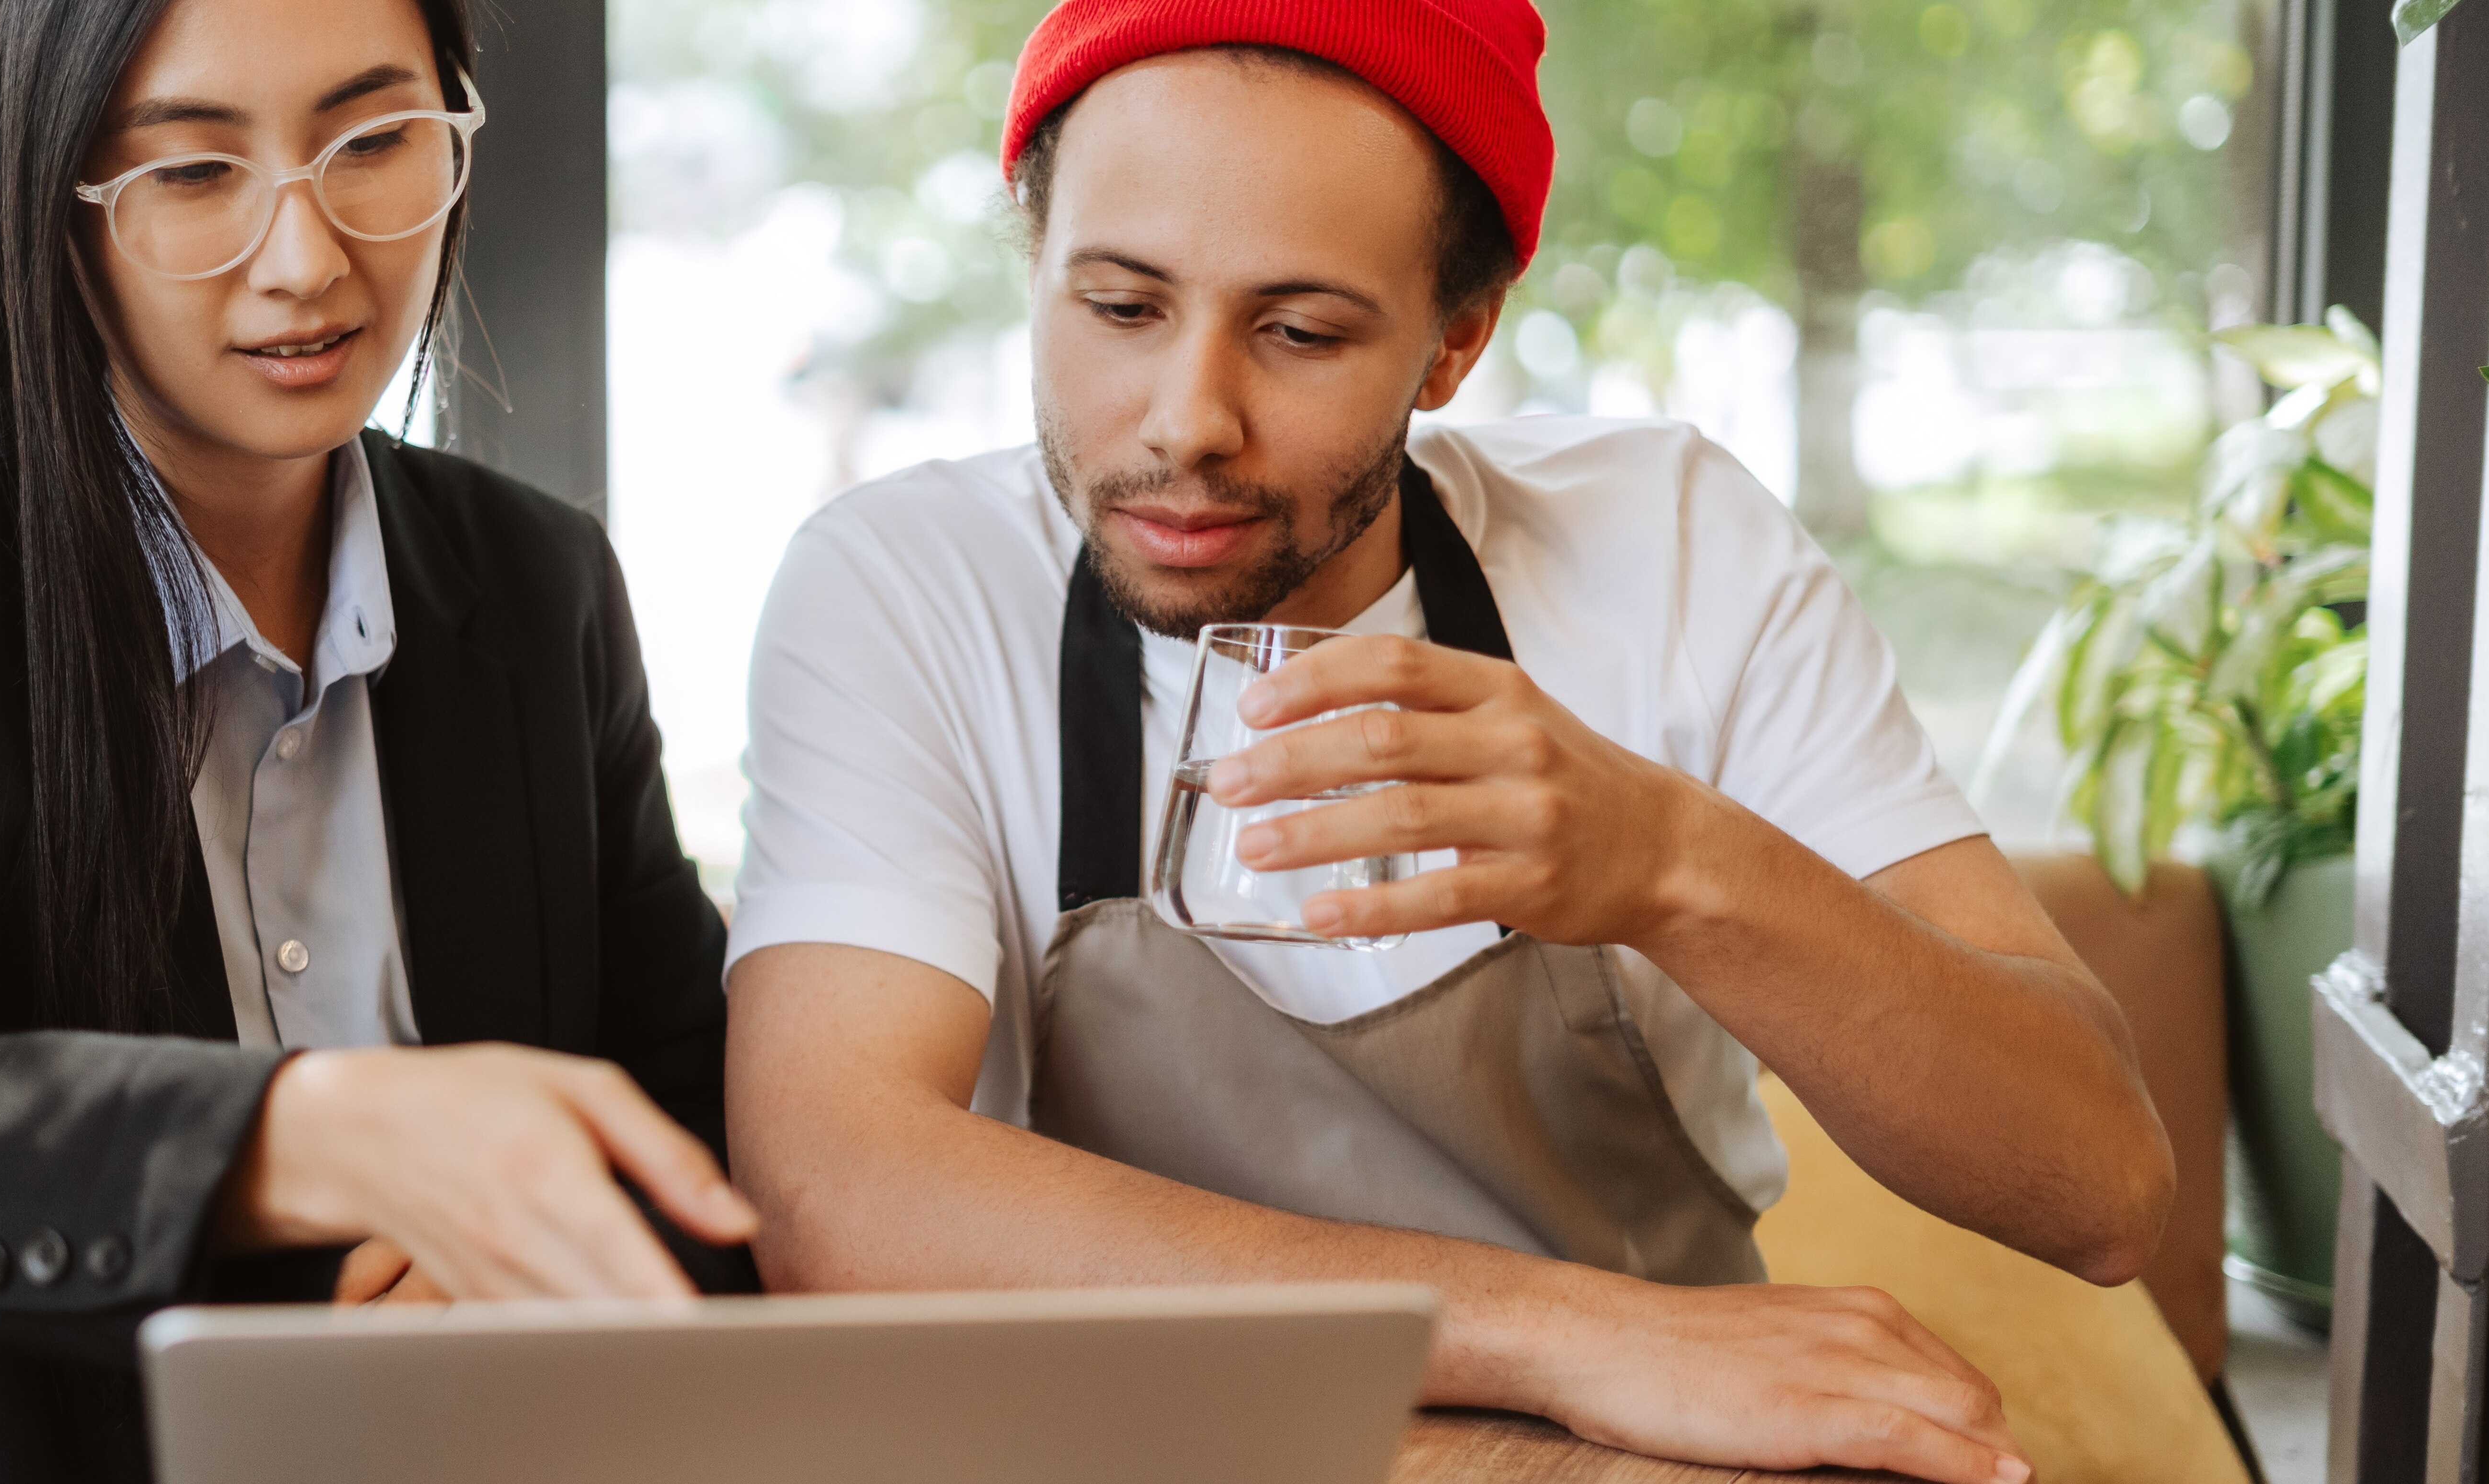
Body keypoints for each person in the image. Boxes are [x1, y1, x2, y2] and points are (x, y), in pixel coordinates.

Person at [722, 4, 2176, 1482]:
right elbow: (839, 1187)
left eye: (1299, 331)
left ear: (1454, 342)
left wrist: (1673, 862)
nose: (1188, 420)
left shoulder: (1672, 547)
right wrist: (1577, 1335)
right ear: (1037, 265)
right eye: (1119, 306)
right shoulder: (902, 586)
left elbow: (2099, 1184)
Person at [0, 0, 753, 1475]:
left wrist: (514, 1292)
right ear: (46, 202)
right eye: (192, 172)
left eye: (376, 140)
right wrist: (306, 1134)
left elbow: (693, 1122)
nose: (307, 258)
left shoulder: (538, 584)